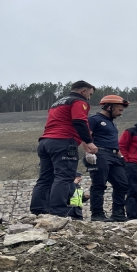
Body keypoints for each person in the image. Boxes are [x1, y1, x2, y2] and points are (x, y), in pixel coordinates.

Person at [30, 80, 98, 217]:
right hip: (63, 141)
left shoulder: (57, 103)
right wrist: (89, 142)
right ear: (83, 91)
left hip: (45, 141)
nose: (89, 98)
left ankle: (38, 209)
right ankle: (58, 212)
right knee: (64, 176)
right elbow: (79, 121)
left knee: (45, 178)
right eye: (89, 94)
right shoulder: (78, 101)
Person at [86, 95, 130, 222]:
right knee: (99, 183)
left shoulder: (113, 124)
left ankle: (118, 213)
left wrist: (121, 156)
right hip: (100, 153)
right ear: (109, 107)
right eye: (119, 110)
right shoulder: (94, 120)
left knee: (122, 184)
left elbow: (114, 142)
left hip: (114, 155)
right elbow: (85, 136)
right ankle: (97, 214)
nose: (121, 113)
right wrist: (88, 152)